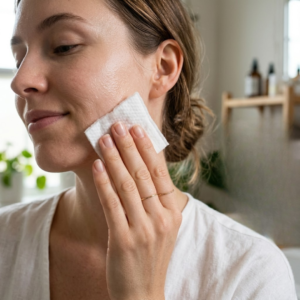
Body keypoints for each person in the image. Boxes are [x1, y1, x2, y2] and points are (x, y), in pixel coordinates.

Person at [0, 0, 297, 299]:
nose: (21, 81)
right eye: (18, 58)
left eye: (64, 46)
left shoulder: (251, 273)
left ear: (163, 68)